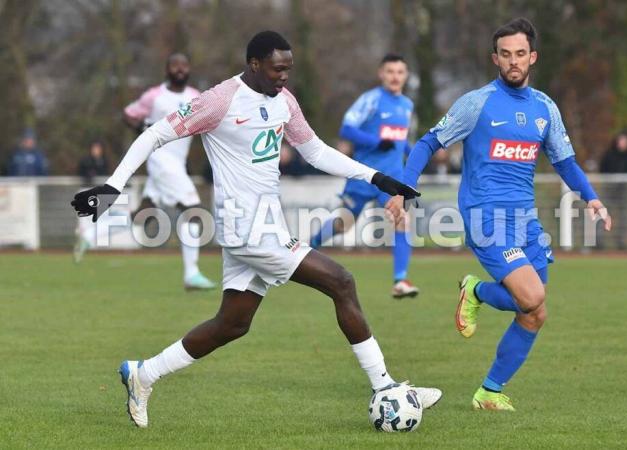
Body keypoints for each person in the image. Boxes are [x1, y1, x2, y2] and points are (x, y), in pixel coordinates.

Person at [70, 31, 441, 428]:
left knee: (233, 323)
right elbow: (154, 134)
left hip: (266, 223)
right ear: (254, 65)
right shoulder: (219, 100)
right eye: (277, 69)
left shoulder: (284, 101)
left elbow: (314, 150)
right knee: (341, 281)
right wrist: (113, 185)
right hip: (245, 228)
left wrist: (377, 178)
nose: (284, 77)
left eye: (289, 69)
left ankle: (143, 375)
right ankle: (385, 387)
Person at [386, 18, 612, 411]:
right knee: (532, 295)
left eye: (520, 54)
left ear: (533, 57)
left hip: (525, 219)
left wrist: (591, 197)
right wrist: (403, 189)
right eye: (505, 54)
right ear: (495, 58)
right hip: (485, 215)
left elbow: (566, 162)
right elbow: (426, 143)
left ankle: (489, 391)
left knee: (534, 312)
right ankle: (474, 289)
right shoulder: (477, 102)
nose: (513, 61)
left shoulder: (545, 108)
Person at [310, 54, 418, 299]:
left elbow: (399, 142)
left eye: (400, 72)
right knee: (343, 223)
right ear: (381, 73)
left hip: (391, 180)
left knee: (402, 220)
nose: (395, 76)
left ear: (406, 76)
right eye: (390, 71)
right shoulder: (370, 100)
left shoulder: (407, 105)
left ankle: (400, 280)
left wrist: (417, 155)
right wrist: (376, 142)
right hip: (364, 176)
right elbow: (346, 129)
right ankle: (311, 244)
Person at [121, 52, 215, 290]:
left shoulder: (195, 97)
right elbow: (129, 114)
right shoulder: (154, 96)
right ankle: (191, 274)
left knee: (145, 213)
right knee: (193, 212)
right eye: (175, 65)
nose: (180, 69)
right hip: (161, 160)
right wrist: (143, 127)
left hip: (176, 162)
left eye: (184, 65)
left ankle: (91, 232)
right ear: (167, 70)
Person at [599, 132, 627, 249]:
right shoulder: (609, 155)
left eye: (625, 141)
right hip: (609, 191)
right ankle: (599, 242)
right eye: (621, 141)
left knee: (623, 218)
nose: (623, 144)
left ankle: (621, 242)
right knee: (602, 214)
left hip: (624, 191)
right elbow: (603, 169)